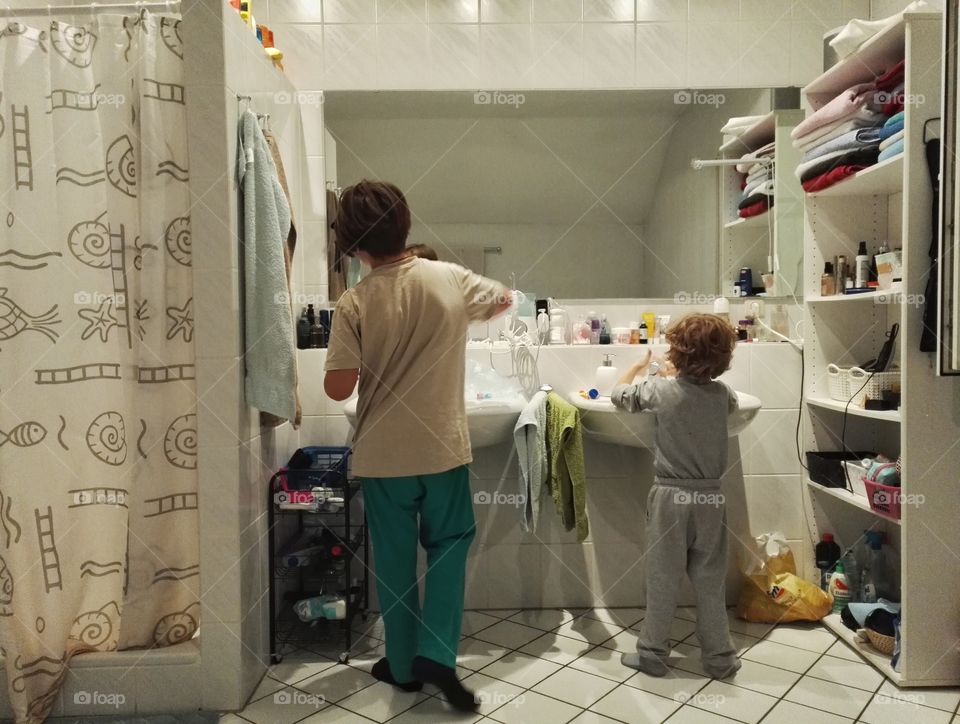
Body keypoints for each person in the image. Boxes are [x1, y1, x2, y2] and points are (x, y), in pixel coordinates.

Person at [323, 180, 510, 711]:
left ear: (354, 245)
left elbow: (339, 388)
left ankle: (402, 666)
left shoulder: (353, 302)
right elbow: (502, 300)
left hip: (384, 458)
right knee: (451, 544)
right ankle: (436, 653)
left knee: (396, 561)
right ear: (406, 226)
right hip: (442, 450)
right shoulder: (448, 277)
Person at [610, 313, 741, 680]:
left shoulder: (661, 391)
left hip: (671, 498)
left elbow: (619, 395)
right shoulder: (724, 395)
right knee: (710, 580)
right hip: (711, 499)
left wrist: (640, 366)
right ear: (722, 358)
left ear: (677, 353)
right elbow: (718, 405)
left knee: (663, 578)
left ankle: (652, 653)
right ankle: (720, 658)